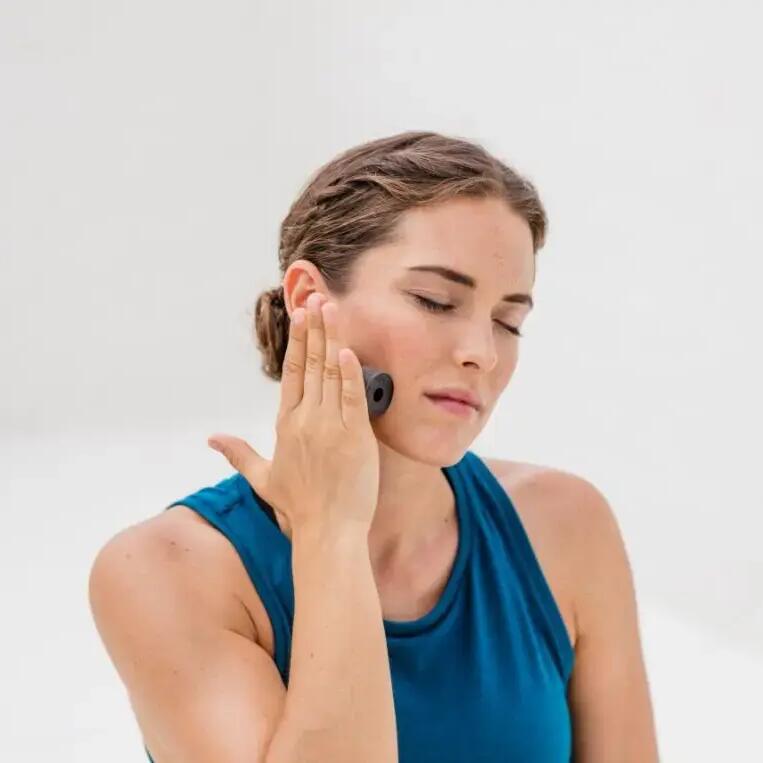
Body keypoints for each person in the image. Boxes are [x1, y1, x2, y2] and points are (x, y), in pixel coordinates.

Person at [88, 131, 659, 762]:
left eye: (507, 322)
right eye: (435, 301)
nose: (482, 352)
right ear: (308, 300)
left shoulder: (566, 527)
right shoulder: (164, 572)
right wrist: (331, 530)